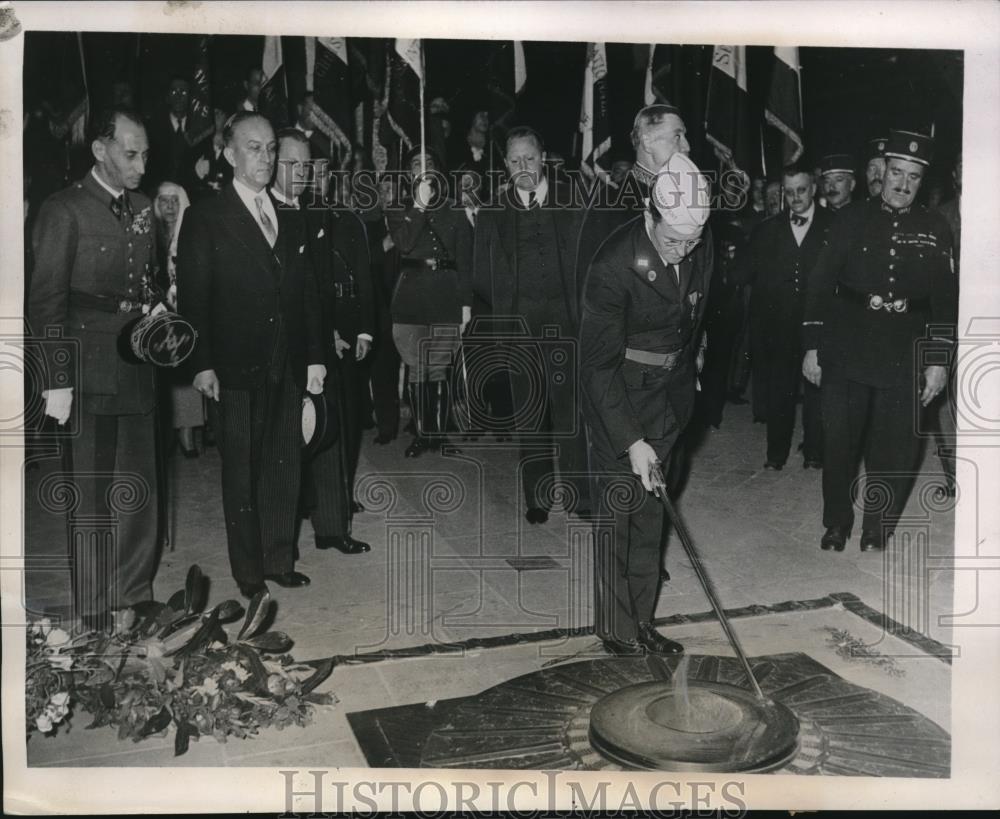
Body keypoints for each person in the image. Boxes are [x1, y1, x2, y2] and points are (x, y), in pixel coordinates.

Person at [177, 111, 326, 597]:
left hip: (286, 361)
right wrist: (200, 363)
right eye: (254, 148)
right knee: (240, 468)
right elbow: (194, 297)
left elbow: (306, 295)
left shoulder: (289, 216)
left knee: (285, 462)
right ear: (229, 154)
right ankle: (248, 573)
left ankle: (279, 556)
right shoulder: (206, 214)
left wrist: (314, 358)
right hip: (233, 365)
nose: (265, 158)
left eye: (269, 149)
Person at [28, 107, 160, 630]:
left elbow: (146, 284)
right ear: (100, 150)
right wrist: (56, 378)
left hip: (138, 363)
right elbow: (46, 301)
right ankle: (96, 604)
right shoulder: (64, 210)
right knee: (92, 489)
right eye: (131, 153)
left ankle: (136, 593)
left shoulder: (146, 208)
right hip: (88, 368)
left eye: (146, 154)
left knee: (140, 486)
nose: (142, 165)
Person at [579, 150, 713, 656]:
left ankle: (640, 622)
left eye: (692, 242)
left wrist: (691, 369)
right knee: (619, 517)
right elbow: (595, 365)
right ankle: (616, 630)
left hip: (669, 396)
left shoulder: (699, 246)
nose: (683, 252)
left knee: (650, 516)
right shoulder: (614, 265)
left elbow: (694, 316)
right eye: (674, 241)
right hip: (618, 396)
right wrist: (631, 440)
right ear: (649, 215)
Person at [802, 130, 957, 553]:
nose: (902, 184)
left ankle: (877, 527)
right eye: (895, 173)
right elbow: (819, 283)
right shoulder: (850, 218)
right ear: (880, 173)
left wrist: (938, 361)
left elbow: (944, 302)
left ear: (921, 182)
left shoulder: (935, 227)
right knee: (839, 443)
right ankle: (836, 522)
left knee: (895, 448)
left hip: (903, 352)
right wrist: (813, 345)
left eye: (912, 177)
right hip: (847, 348)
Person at [473, 126, 587, 523]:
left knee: (571, 411)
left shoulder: (574, 200)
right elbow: (481, 274)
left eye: (530, 158)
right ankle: (538, 498)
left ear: (544, 158)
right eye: (515, 160)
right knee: (530, 412)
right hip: (520, 327)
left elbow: (591, 260)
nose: (524, 167)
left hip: (567, 325)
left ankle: (580, 496)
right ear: (505, 164)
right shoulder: (492, 211)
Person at [271, 128, 371, 555]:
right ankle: (282, 539)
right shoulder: (263, 210)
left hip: (322, 338)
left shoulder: (319, 209)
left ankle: (333, 528)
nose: (300, 173)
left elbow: (321, 281)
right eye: (290, 164)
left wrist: (331, 329)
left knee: (331, 432)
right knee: (288, 439)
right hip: (282, 342)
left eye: (306, 165)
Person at [749, 161, 835, 470]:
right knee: (780, 390)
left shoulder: (834, 225)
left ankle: (814, 452)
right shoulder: (768, 229)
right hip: (780, 325)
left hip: (820, 324)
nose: (796, 198)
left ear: (813, 188)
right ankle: (776, 455)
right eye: (789, 192)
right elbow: (757, 281)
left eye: (801, 190)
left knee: (817, 387)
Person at [388, 146, 473, 457]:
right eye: (415, 164)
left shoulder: (455, 210)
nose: (422, 169)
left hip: (445, 294)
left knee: (438, 367)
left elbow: (465, 259)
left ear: (438, 171)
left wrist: (465, 304)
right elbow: (404, 243)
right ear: (408, 173)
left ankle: (438, 435)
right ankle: (422, 435)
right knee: (416, 366)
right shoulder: (399, 208)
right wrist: (419, 207)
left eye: (429, 163)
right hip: (410, 296)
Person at [152, 181, 204, 457]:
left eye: (175, 201)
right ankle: (166, 432)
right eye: (164, 201)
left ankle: (188, 430)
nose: (170, 207)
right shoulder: (150, 232)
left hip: (187, 308)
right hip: (158, 311)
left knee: (186, 367)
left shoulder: (192, 230)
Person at [145, 76, 202, 195]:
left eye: (184, 92)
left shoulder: (201, 130)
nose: (179, 96)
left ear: (191, 98)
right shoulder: (152, 129)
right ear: (167, 97)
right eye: (174, 91)